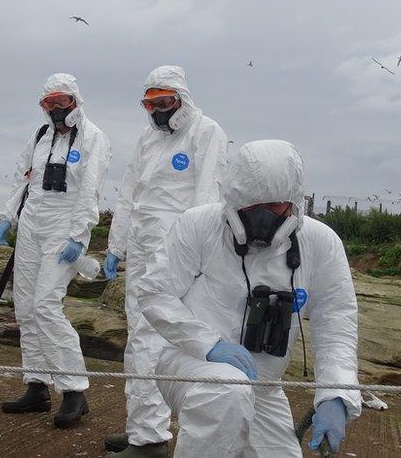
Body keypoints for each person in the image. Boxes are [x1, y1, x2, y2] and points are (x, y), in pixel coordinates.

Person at [138, 140, 362, 457]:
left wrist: (336, 393)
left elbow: (336, 319)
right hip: (190, 361)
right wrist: (208, 343)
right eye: (251, 208)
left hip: (264, 384)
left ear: (293, 203)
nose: (262, 219)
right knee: (226, 392)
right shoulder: (198, 225)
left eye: (274, 208)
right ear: (232, 198)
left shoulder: (320, 242)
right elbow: (154, 292)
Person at [102, 65, 228, 456]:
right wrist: (115, 245)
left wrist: (202, 258)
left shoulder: (207, 132)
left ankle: (151, 437)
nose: (158, 111)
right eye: (150, 103)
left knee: (154, 341)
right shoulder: (147, 139)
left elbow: (209, 196)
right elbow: (129, 193)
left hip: (177, 254)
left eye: (165, 102)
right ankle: (140, 424)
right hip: (141, 249)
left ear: (182, 99)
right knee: (137, 341)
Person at [0, 73, 111, 429]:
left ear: (75, 101)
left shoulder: (93, 138)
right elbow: (22, 179)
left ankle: (75, 390)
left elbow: (90, 190)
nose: (57, 109)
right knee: (26, 305)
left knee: (46, 303)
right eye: (50, 103)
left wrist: (79, 235)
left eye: (63, 102)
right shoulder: (40, 136)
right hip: (32, 223)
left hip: (64, 226)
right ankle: (37, 384)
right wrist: (8, 216)